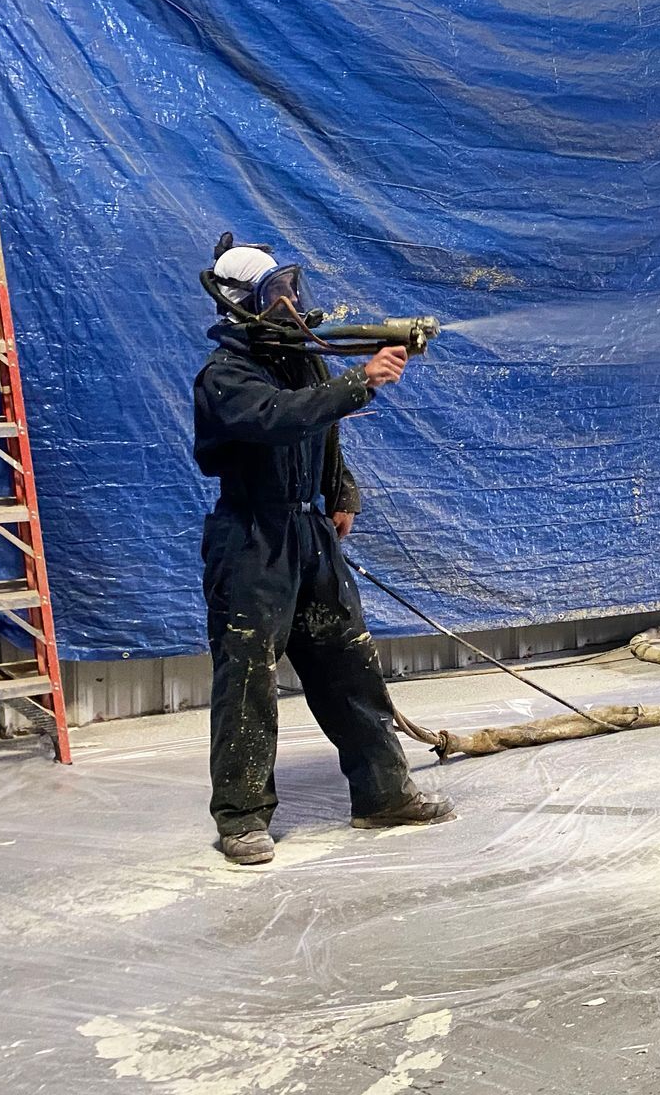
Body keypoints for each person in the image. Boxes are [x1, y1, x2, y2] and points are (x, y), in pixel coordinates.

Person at [194, 236, 452, 865]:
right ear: (239, 304)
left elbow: (321, 431)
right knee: (249, 676)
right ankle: (242, 817)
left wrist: (342, 491)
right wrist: (360, 383)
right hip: (253, 540)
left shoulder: (299, 360)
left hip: (309, 535)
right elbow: (279, 418)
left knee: (349, 664)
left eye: (289, 288)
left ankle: (383, 795)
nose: (287, 302)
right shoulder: (225, 377)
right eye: (272, 294)